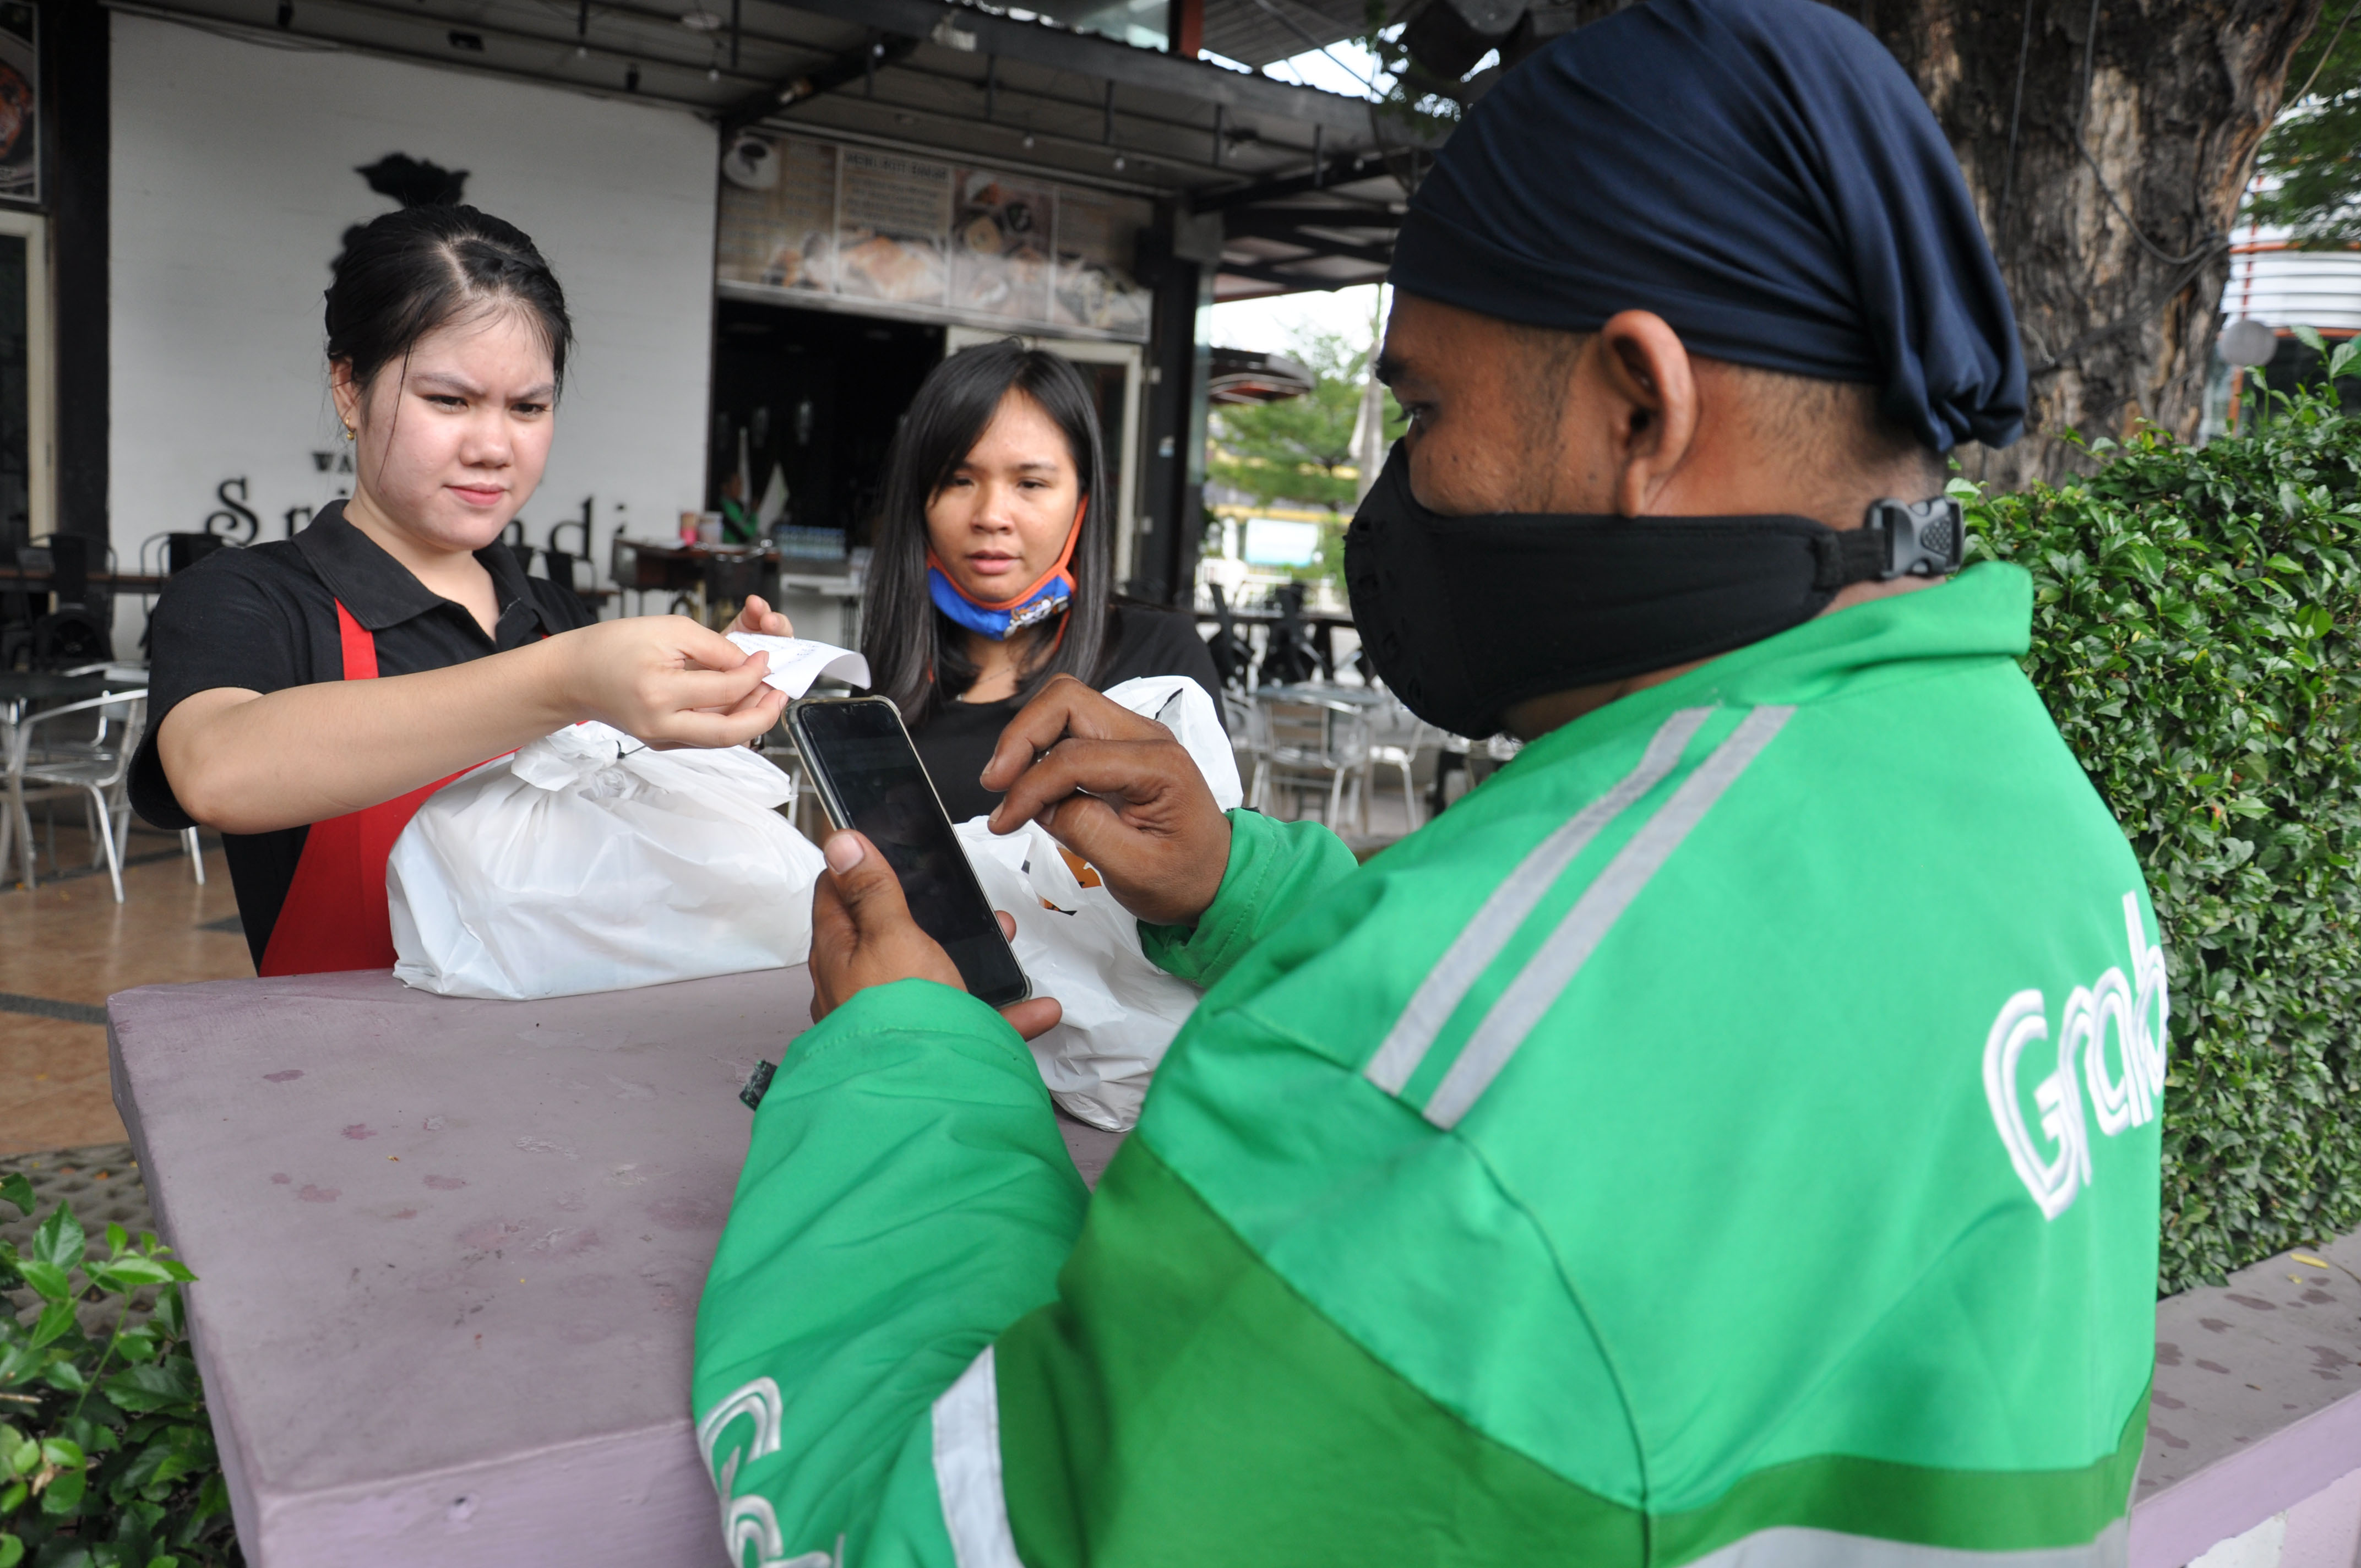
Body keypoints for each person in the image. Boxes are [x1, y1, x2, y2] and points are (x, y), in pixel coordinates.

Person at [693, 1, 2162, 1562]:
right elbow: (1662, 1030)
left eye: (1426, 412)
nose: (1401, 488)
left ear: (1640, 409)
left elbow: (912, 1535)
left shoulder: (1420, 1121)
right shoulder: (2037, 817)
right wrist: (1247, 888)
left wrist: (909, 1063)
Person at [129, 205, 787, 974]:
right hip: (333, 1076)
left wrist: (706, 710)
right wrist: (565, 681)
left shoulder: (552, 613)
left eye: (529, 408)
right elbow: (217, 769)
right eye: (449, 401)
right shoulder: (251, 597)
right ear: (349, 388)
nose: (492, 448)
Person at [856, 340, 1221, 821]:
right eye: (959, 481)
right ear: (919, 500)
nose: (991, 517)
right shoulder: (885, 673)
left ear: (1082, 501)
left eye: (1030, 484)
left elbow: (1209, 864)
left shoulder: (1162, 660)